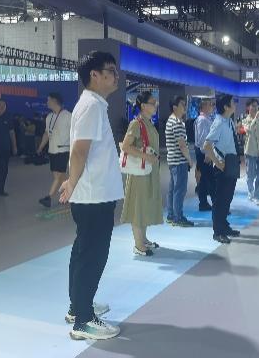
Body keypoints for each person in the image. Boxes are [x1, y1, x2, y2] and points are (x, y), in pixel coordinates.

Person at [59, 51, 123, 341]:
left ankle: (78, 306)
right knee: (92, 256)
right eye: (110, 70)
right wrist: (72, 183)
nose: (115, 75)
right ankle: (83, 321)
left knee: (83, 251)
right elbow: (79, 151)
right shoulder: (91, 106)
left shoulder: (93, 104)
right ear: (94, 75)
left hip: (95, 194)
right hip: (93, 196)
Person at [120, 91, 163, 256]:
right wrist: (146, 156)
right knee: (138, 207)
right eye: (152, 102)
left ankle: (143, 239)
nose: (155, 105)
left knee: (144, 205)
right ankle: (138, 245)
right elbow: (125, 146)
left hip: (148, 171)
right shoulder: (136, 124)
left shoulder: (148, 123)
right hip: (139, 173)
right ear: (143, 106)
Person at [203, 94, 241, 244]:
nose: (235, 104)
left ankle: (224, 226)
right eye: (232, 102)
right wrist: (218, 163)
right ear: (226, 106)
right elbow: (207, 145)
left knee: (227, 198)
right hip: (223, 166)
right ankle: (218, 232)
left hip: (231, 163)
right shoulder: (219, 122)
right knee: (220, 200)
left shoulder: (229, 121)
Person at [37, 93, 72, 208]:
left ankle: (49, 197)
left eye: (48, 100)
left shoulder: (68, 116)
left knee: (58, 176)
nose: (47, 102)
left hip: (64, 150)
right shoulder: (49, 117)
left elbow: (75, 133)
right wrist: (41, 147)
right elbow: (47, 134)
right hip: (52, 151)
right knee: (60, 176)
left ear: (54, 101)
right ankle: (69, 195)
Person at [165, 95, 194, 227]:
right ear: (175, 107)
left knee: (173, 189)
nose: (185, 107)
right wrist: (189, 160)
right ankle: (178, 217)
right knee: (179, 190)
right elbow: (182, 145)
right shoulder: (177, 123)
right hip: (179, 161)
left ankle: (171, 215)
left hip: (172, 161)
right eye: (182, 104)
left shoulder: (170, 121)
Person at [243, 98, 259, 205]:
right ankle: (250, 192)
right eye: (253, 105)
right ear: (248, 107)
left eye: (257, 106)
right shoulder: (245, 120)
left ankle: (257, 196)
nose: (255, 108)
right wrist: (255, 118)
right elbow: (249, 130)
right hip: (250, 151)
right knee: (250, 175)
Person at [194, 98, 215, 212]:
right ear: (204, 107)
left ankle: (204, 203)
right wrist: (207, 153)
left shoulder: (205, 119)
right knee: (208, 179)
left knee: (205, 179)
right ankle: (210, 203)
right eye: (210, 105)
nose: (212, 107)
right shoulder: (202, 120)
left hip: (205, 152)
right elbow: (203, 138)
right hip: (204, 153)